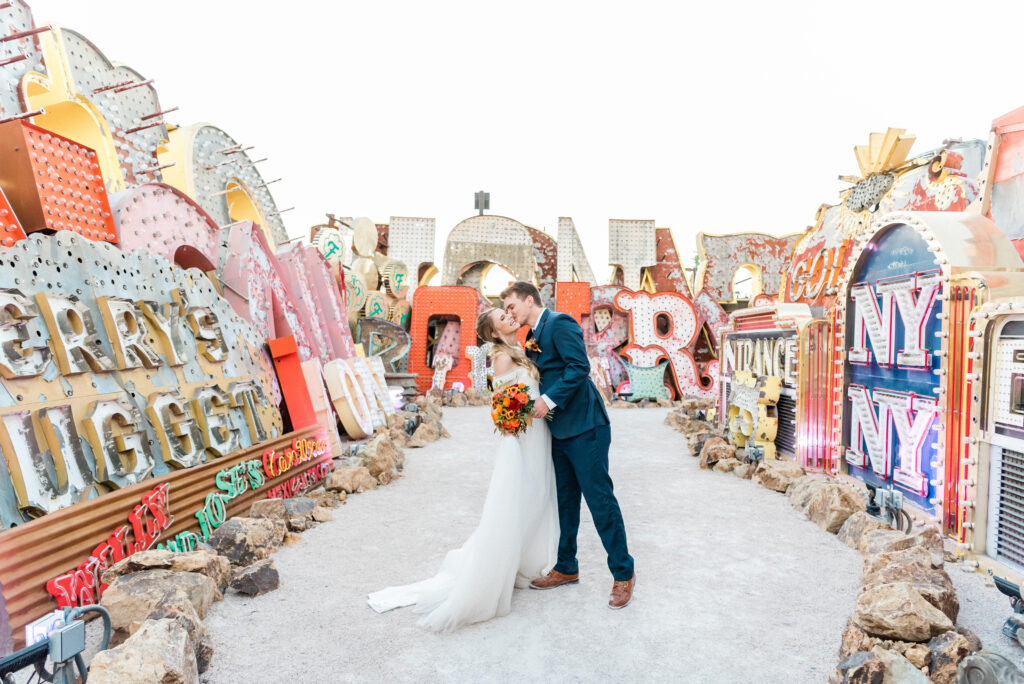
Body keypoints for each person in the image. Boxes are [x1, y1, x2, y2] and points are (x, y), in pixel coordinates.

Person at [367, 308, 558, 631]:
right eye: (503, 318)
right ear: (494, 333)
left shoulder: (520, 350)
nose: (510, 317)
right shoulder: (500, 357)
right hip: (522, 436)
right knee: (520, 498)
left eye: (509, 313)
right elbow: (501, 401)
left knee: (538, 494)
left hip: (537, 434)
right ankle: (500, 565)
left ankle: (525, 560)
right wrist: (517, 415)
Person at [501, 281, 636, 609]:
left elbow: (579, 368)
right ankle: (567, 566)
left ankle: (623, 573)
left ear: (529, 300)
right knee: (565, 502)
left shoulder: (559, 323)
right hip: (558, 430)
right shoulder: (531, 337)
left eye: (511, 307)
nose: (509, 313)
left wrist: (547, 400)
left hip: (586, 426)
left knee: (600, 500)